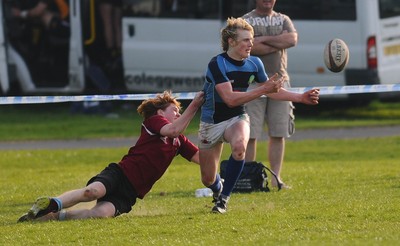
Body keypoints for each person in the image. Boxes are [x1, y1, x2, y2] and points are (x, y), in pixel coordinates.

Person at [18, 90, 204, 222]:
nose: (179, 114)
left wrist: (217, 138)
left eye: (180, 112)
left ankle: (56, 216)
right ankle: (51, 204)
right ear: (160, 112)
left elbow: (203, 159)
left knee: (100, 214)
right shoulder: (154, 121)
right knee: (92, 192)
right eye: (175, 111)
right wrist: (194, 105)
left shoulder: (179, 141)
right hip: (120, 174)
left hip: (131, 192)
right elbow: (172, 130)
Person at [199, 17, 319, 214]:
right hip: (211, 122)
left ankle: (223, 200)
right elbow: (229, 98)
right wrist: (261, 90)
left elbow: (271, 91)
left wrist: (300, 97)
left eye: (252, 39)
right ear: (231, 42)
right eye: (245, 39)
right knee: (207, 179)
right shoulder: (217, 64)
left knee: (239, 148)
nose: (251, 43)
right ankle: (217, 188)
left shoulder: (255, 63)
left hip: (237, 117)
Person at [242, 0, 297, 188]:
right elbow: (247, 48)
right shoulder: (246, 21)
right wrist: (277, 42)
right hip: (252, 84)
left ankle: (276, 179)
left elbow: (292, 40)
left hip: (280, 82)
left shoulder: (283, 19)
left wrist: (262, 39)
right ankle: (248, 179)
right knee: (250, 134)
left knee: (278, 133)